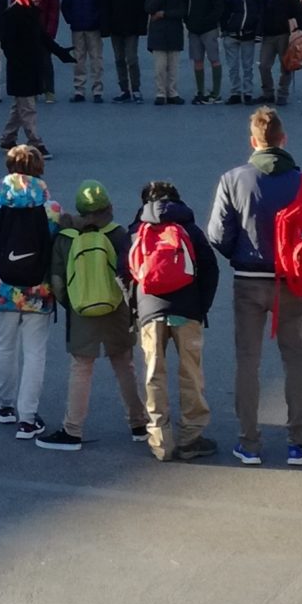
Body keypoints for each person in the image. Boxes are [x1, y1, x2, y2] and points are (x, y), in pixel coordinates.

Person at [206, 107, 302, 468]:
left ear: (253, 142)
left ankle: (250, 443)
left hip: (248, 280)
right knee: (295, 361)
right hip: (290, 282)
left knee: (248, 361)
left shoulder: (233, 178)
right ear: (282, 140)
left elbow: (216, 234)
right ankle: (299, 441)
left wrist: (239, 254)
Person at [37, 179, 148, 451]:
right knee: (124, 363)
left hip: (81, 311)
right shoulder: (118, 234)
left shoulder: (65, 238)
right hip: (115, 309)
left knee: (81, 367)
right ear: (107, 207)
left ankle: (72, 430)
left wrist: (74, 304)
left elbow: (57, 281)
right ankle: (139, 422)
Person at [128, 178, 220, 462]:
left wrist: (136, 308)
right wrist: (201, 306)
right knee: (190, 373)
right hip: (187, 310)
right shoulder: (189, 228)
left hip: (150, 312)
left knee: (154, 374)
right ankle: (191, 437)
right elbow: (210, 269)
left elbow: (125, 272)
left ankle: (160, 441)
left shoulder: (136, 231)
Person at [0, 144, 63, 438]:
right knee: (35, 352)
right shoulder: (51, 209)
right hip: (39, 289)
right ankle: (28, 417)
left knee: (5, 346)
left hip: (4, 286)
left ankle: (5, 405)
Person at [0, 0, 74, 152]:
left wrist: (61, 52)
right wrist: (18, 63)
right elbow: (7, 44)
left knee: (19, 107)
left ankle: (7, 138)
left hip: (31, 67)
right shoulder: (12, 13)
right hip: (21, 69)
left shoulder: (32, 11)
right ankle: (36, 142)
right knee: (28, 108)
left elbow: (43, 37)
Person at [100, 0, 149, 104]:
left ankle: (136, 88)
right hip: (115, 26)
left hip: (132, 26)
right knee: (119, 59)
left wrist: (142, 25)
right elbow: (105, 4)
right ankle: (124, 89)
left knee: (131, 58)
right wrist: (105, 26)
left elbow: (143, 1)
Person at [254, 0, 302, 107]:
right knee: (263, 65)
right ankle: (267, 93)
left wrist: (295, 27)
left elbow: (300, 14)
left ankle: (282, 93)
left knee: (286, 66)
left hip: (284, 35)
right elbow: (259, 15)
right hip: (268, 36)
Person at [182, 0, 228, 105]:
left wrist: (209, 21)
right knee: (197, 60)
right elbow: (185, 4)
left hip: (208, 29)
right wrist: (187, 21)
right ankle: (200, 91)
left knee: (214, 59)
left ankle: (216, 92)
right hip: (194, 30)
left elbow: (219, 6)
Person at [61, 0, 105, 103]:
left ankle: (97, 90)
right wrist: (70, 19)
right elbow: (65, 5)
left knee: (96, 59)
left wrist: (98, 20)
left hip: (93, 28)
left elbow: (102, 5)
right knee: (78, 60)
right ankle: (79, 89)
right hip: (77, 28)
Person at [145, 0, 186, 107]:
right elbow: (149, 8)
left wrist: (164, 14)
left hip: (174, 32)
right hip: (158, 34)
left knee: (173, 67)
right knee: (160, 67)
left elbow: (182, 11)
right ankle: (160, 93)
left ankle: (173, 93)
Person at [221, 0, 263, 106]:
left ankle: (248, 92)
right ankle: (235, 92)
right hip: (231, 35)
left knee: (247, 66)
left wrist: (257, 33)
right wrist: (224, 28)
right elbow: (222, 13)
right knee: (233, 66)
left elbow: (258, 15)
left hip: (248, 35)